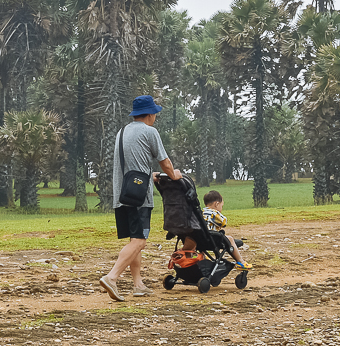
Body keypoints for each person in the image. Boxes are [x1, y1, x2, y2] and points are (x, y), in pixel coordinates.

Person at [98, 95, 182, 301]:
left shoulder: (122, 131)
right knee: (140, 242)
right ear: (150, 114)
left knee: (134, 239)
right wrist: (174, 176)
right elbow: (165, 162)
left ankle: (138, 285)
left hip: (122, 194)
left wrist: (148, 174)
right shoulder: (149, 131)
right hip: (138, 198)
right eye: (155, 113)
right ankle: (112, 277)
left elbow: (133, 163)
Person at [201, 190, 250, 268]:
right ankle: (240, 261)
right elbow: (224, 223)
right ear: (216, 204)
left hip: (201, 240)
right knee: (230, 239)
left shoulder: (201, 212)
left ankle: (203, 256)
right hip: (212, 239)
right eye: (221, 206)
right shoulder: (214, 214)